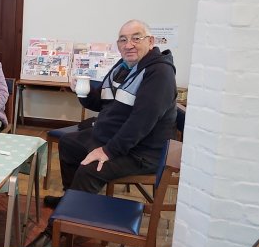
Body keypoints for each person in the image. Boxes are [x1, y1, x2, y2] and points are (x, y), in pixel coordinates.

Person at [44, 19, 177, 207]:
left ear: (151, 41)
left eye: (136, 38)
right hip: (115, 136)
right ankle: (70, 199)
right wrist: (84, 92)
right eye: (123, 40)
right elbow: (102, 104)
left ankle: (66, 223)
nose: (128, 45)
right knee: (68, 143)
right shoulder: (123, 67)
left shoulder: (160, 73)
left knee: (89, 169)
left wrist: (108, 151)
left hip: (141, 151)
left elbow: (141, 123)